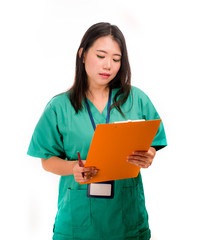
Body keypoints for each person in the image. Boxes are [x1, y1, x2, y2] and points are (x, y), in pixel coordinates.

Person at [27, 22, 167, 240]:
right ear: (82, 54)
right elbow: (47, 161)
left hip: (126, 222)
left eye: (116, 59)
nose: (108, 65)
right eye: (101, 55)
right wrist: (73, 167)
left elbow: (152, 144)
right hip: (77, 223)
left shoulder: (137, 99)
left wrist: (149, 156)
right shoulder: (59, 107)